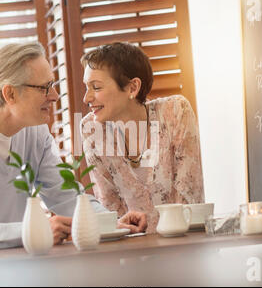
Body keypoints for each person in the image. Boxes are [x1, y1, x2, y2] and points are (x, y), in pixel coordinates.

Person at [0, 42, 147, 253]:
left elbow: (66, 196)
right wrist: (32, 231)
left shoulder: (37, 133)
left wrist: (112, 223)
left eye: (52, 85)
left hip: (26, 267)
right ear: (10, 94)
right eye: (44, 88)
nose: (54, 96)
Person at [81, 42, 205, 234]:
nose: (86, 98)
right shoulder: (92, 130)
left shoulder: (175, 112)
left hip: (183, 244)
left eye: (96, 87)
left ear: (132, 87)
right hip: (131, 252)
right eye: (86, 87)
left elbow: (189, 200)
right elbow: (110, 211)